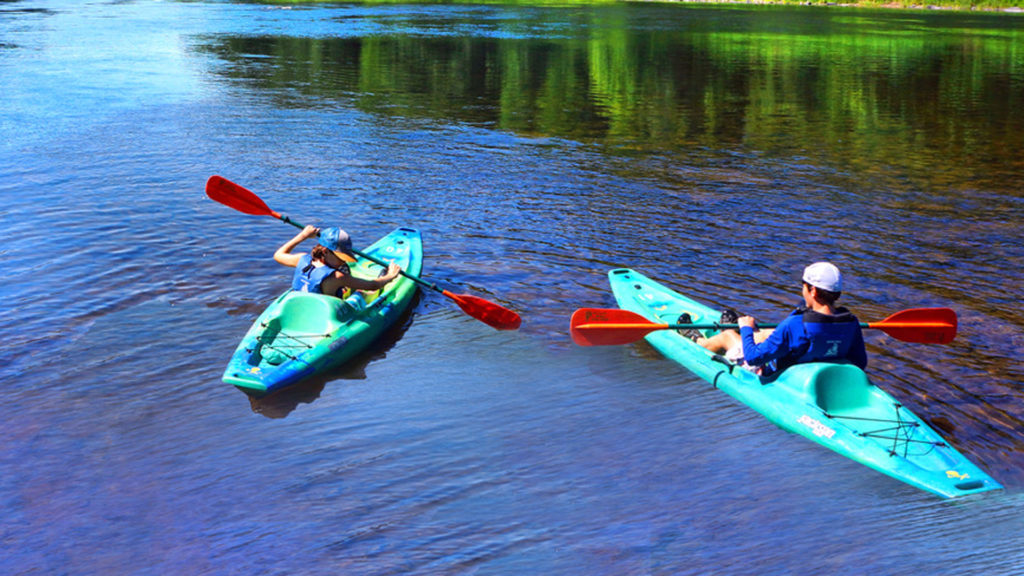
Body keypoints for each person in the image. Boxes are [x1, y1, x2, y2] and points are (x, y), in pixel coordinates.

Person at [685, 262, 867, 378]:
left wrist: (747, 328)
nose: (802, 291)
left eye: (804, 286)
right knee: (768, 333)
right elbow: (859, 363)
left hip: (770, 372)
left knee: (727, 337)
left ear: (813, 290)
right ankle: (739, 330)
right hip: (812, 369)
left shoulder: (796, 324)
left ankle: (697, 338)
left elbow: (754, 358)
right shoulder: (851, 323)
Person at [273, 225, 401, 298]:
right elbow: (373, 285)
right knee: (359, 296)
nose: (342, 263)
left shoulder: (301, 259)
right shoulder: (337, 277)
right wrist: (391, 275)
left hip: (302, 308)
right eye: (340, 257)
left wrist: (303, 236)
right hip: (325, 318)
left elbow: (279, 255)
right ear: (325, 251)